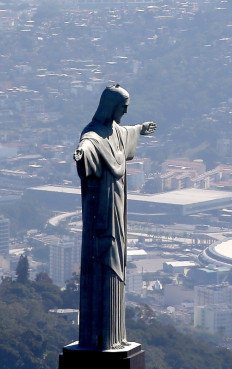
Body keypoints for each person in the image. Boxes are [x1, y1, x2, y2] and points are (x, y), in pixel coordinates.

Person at [74, 84, 156, 350]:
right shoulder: (94, 136)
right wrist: (82, 154)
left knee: (116, 267)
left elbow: (125, 133)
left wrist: (140, 129)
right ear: (111, 106)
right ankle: (102, 339)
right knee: (103, 268)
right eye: (123, 107)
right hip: (102, 217)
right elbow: (87, 145)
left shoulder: (116, 132)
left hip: (118, 214)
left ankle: (116, 337)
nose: (126, 111)